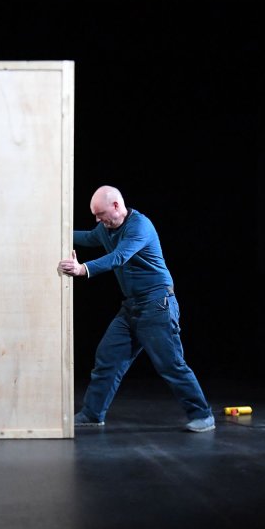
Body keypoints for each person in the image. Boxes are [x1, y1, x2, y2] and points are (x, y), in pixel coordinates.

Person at [57, 185, 215, 432]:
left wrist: (82, 269)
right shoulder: (105, 229)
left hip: (156, 304)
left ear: (116, 206)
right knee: (107, 357)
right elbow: (87, 237)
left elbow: (119, 257)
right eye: (95, 216)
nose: (98, 220)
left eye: (100, 214)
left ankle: (203, 415)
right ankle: (92, 413)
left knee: (170, 363)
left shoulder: (140, 226)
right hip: (132, 307)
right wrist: (56, 233)